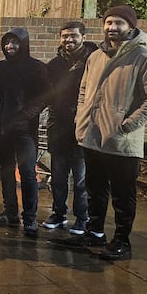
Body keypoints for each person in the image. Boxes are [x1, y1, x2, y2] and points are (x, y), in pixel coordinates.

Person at [67, 6, 147, 260]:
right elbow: (84, 90)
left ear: (130, 26)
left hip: (121, 139)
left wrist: (128, 124)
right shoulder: (96, 56)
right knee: (94, 189)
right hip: (93, 136)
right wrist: (80, 117)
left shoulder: (144, 56)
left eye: (118, 23)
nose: (112, 27)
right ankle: (95, 232)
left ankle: (121, 241)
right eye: (108, 23)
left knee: (122, 193)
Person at [0, 28, 49, 237]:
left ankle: (30, 218)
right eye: (7, 43)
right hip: (2, 127)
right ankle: (10, 212)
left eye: (14, 43)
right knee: (6, 171)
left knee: (27, 174)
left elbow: (44, 96)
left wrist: (26, 115)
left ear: (23, 44)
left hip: (24, 130)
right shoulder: (0, 68)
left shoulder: (37, 68)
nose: (10, 47)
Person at [42, 22, 97, 234]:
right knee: (58, 177)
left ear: (83, 36)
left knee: (82, 180)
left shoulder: (92, 61)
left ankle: (82, 218)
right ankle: (58, 213)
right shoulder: (54, 65)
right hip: (59, 129)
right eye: (65, 36)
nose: (69, 40)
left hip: (82, 128)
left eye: (73, 36)